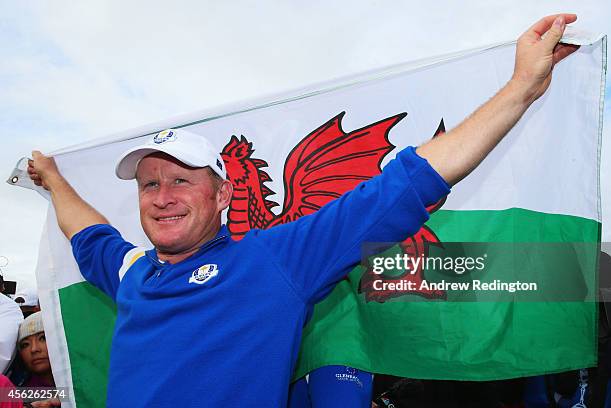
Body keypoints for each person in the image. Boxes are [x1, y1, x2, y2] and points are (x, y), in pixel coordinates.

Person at [27, 14, 578, 407]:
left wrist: (521, 88)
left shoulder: (273, 261)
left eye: (180, 180)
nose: (162, 196)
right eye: (149, 185)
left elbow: (411, 181)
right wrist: (53, 181)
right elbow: (88, 231)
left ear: (222, 196)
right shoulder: (130, 273)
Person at [15, 312, 55, 388]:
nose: (34, 349)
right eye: (25, 344)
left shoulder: (80, 383)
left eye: (43, 338)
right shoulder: (15, 396)